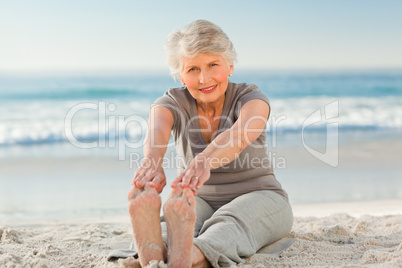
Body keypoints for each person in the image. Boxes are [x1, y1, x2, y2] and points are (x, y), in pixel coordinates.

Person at [127, 19, 293, 268]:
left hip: (261, 194)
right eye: (192, 69)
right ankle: (171, 251)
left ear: (230, 66)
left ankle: (176, 254)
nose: (204, 78)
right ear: (180, 74)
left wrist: (204, 160)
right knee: (177, 223)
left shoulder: (251, 98)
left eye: (213, 65)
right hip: (197, 198)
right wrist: (152, 162)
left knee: (231, 220)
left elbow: (238, 136)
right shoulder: (171, 102)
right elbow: (157, 128)